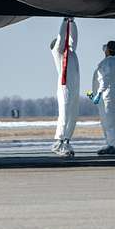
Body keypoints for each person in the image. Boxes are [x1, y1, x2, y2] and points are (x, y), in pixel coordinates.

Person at [50, 17, 79, 158]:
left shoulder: (71, 52)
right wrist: (64, 22)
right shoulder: (58, 53)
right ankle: (58, 142)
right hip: (64, 87)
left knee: (73, 115)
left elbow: (73, 39)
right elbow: (62, 39)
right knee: (65, 115)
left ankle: (67, 142)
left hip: (73, 87)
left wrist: (72, 23)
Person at [90, 40, 115, 156]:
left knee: (109, 121)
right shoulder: (109, 61)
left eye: (106, 47)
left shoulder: (108, 62)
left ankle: (114, 146)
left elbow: (105, 79)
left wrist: (98, 93)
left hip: (107, 95)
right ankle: (110, 144)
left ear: (108, 49)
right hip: (105, 95)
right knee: (105, 121)